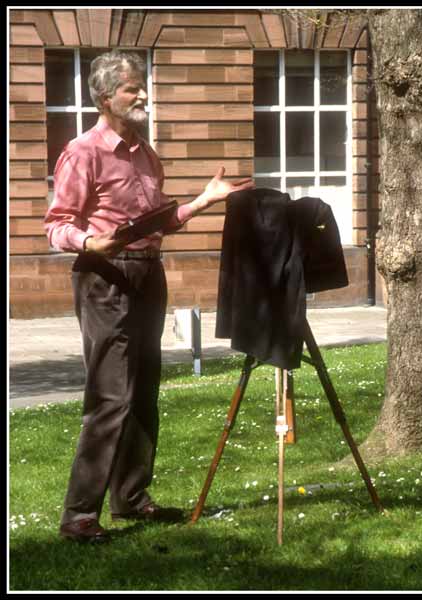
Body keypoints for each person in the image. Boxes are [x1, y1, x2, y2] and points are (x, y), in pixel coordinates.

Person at [44, 49, 254, 543]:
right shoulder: (83, 152)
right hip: (104, 276)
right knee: (112, 393)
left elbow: (159, 220)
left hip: (146, 272)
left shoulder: (145, 152)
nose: (143, 96)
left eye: (142, 86)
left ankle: (131, 500)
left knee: (143, 391)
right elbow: (56, 225)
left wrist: (204, 200)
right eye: (131, 89)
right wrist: (91, 242)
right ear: (104, 98)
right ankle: (78, 515)